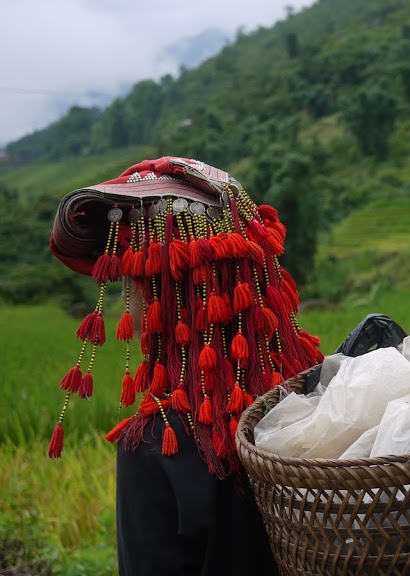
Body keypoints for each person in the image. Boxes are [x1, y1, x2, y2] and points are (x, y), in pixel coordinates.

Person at [47, 157, 324, 575]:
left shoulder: (157, 444)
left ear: (165, 303)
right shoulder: (315, 396)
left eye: (133, 287)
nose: (129, 305)